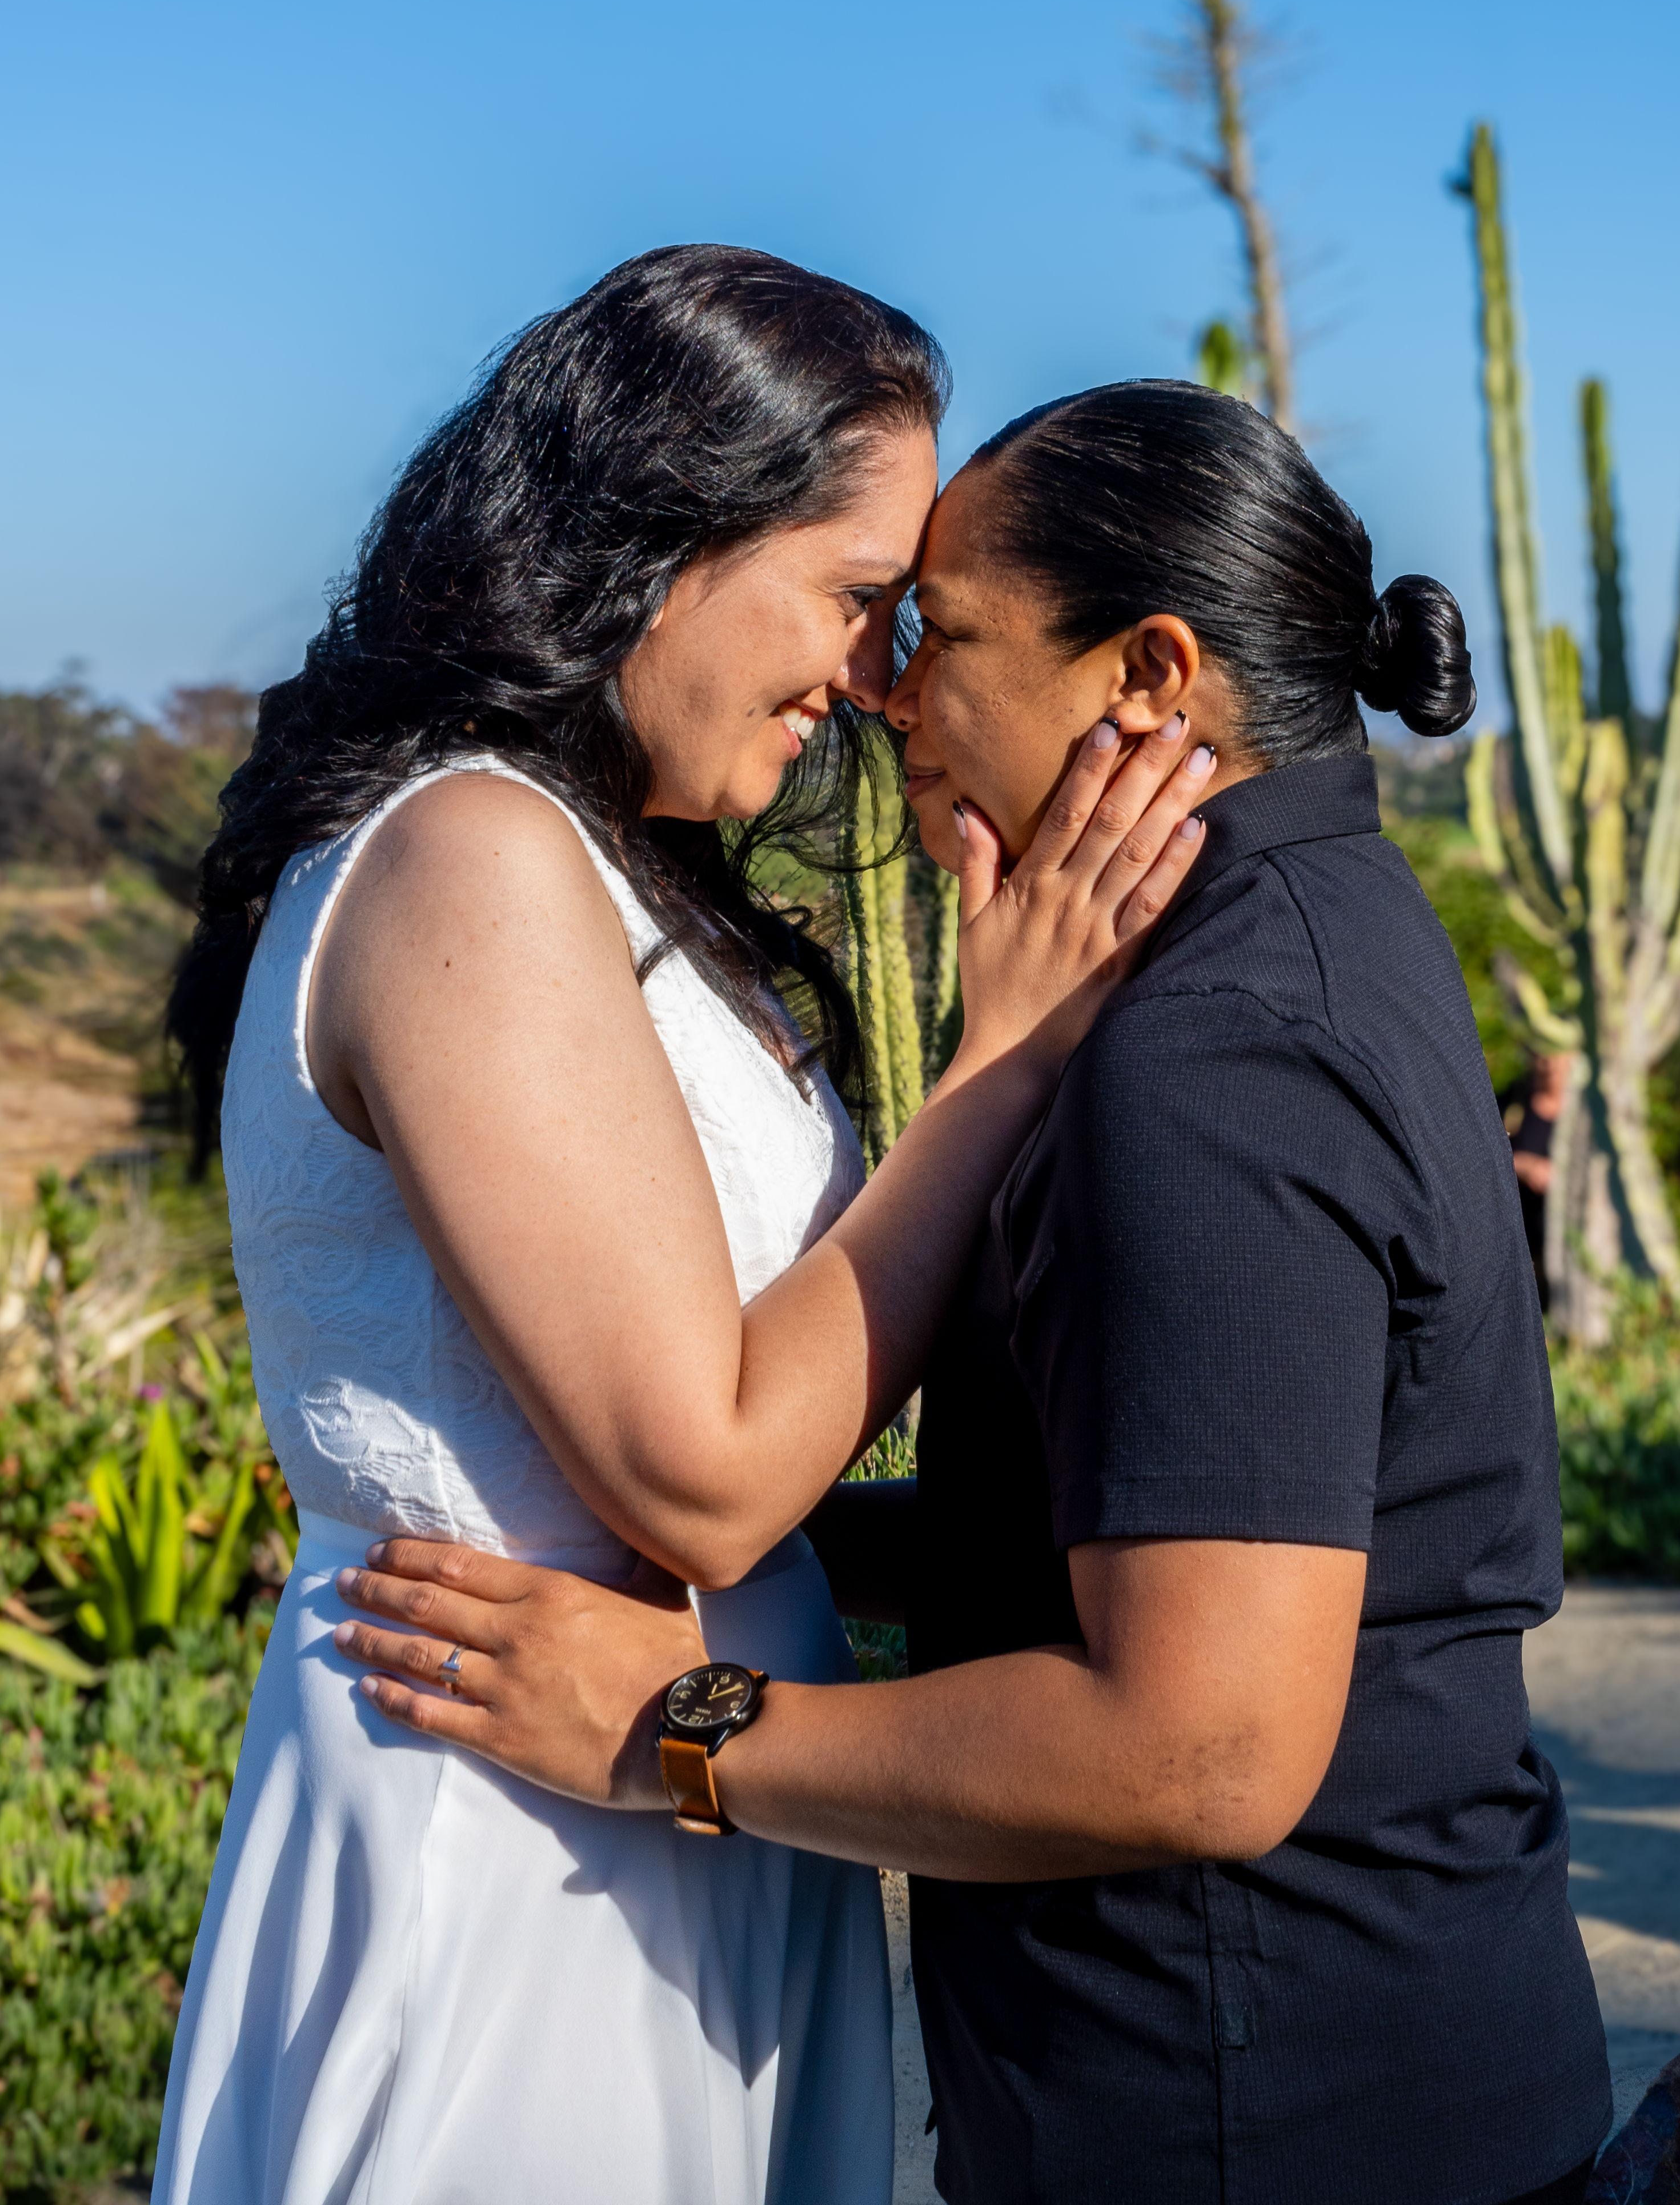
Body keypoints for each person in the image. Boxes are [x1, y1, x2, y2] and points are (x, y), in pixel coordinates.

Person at [338, 380, 1615, 2205]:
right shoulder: (1316, 924)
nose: (884, 685)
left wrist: (669, 1728)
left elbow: (1194, 1742)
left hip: (1246, 2115)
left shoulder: (1213, 1053)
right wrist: (768, 1544)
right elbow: (1149, 1499)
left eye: (942, 634)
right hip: (1355, 2071)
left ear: (1148, 674)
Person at [149, 251, 1210, 2205]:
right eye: (850, 592)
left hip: (662, 1801)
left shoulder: (603, 861)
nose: (871, 671)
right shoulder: (466, 853)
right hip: (513, 1845)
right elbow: (703, 1467)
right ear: (665, 537)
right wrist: (1007, 1062)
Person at [1506, 1050, 1571, 1298]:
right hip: (1520, 1233)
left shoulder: (1588, 1114)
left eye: (1559, 1056)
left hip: (1566, 1239)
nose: (1550, 1065)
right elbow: (1485, 1156)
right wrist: (1524, 1166)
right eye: (1544, 1057)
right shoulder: (1514, 1101)